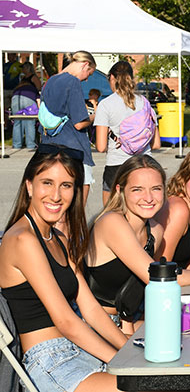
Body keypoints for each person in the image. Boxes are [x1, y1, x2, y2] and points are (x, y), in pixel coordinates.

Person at [0, 144, 127, 391]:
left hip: (79, 350)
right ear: (29, 185)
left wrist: (127, 349)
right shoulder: (22, 239)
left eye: (66, 185)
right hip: (49, 361)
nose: (56, 196)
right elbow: (66, 321)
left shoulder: (57, 237)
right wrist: (122, 362)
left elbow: (90, 308)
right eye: (47, 182)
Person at [85, 155, 190, 334]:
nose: (148, 197)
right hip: (97, 324)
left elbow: (139, 289)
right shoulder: (112, 223)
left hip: (129, 320)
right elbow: (159, 278)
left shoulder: (155, 230)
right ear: (120, 190)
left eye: (156, 189)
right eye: (137, 189)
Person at [94, 61, 161, 205]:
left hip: (116, 166)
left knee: (111, 215)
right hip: (144, 163)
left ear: (112, 78)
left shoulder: (105, 105)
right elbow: (156, 144)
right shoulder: (145, 103)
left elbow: (100, 147)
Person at [40, 51, 97, 204]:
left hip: (49, 145)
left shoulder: (50, 80)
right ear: (85, 65)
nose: (86, 79)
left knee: (55, 203)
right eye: (89, 74)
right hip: (74, 148)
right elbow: (79, 123)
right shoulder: (73, 82)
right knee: (75, 208)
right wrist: (94, 116)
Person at [11, 61, 41, 150]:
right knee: (28, 121)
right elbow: (38, 88)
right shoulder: (29, 77)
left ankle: (17, 145)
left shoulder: (29, 78)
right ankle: (30, 145)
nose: (22, 69)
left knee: (19, 121)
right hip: (28, 97)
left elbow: (38, 87)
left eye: (23, 67)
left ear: (28, 68)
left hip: (18, 97)